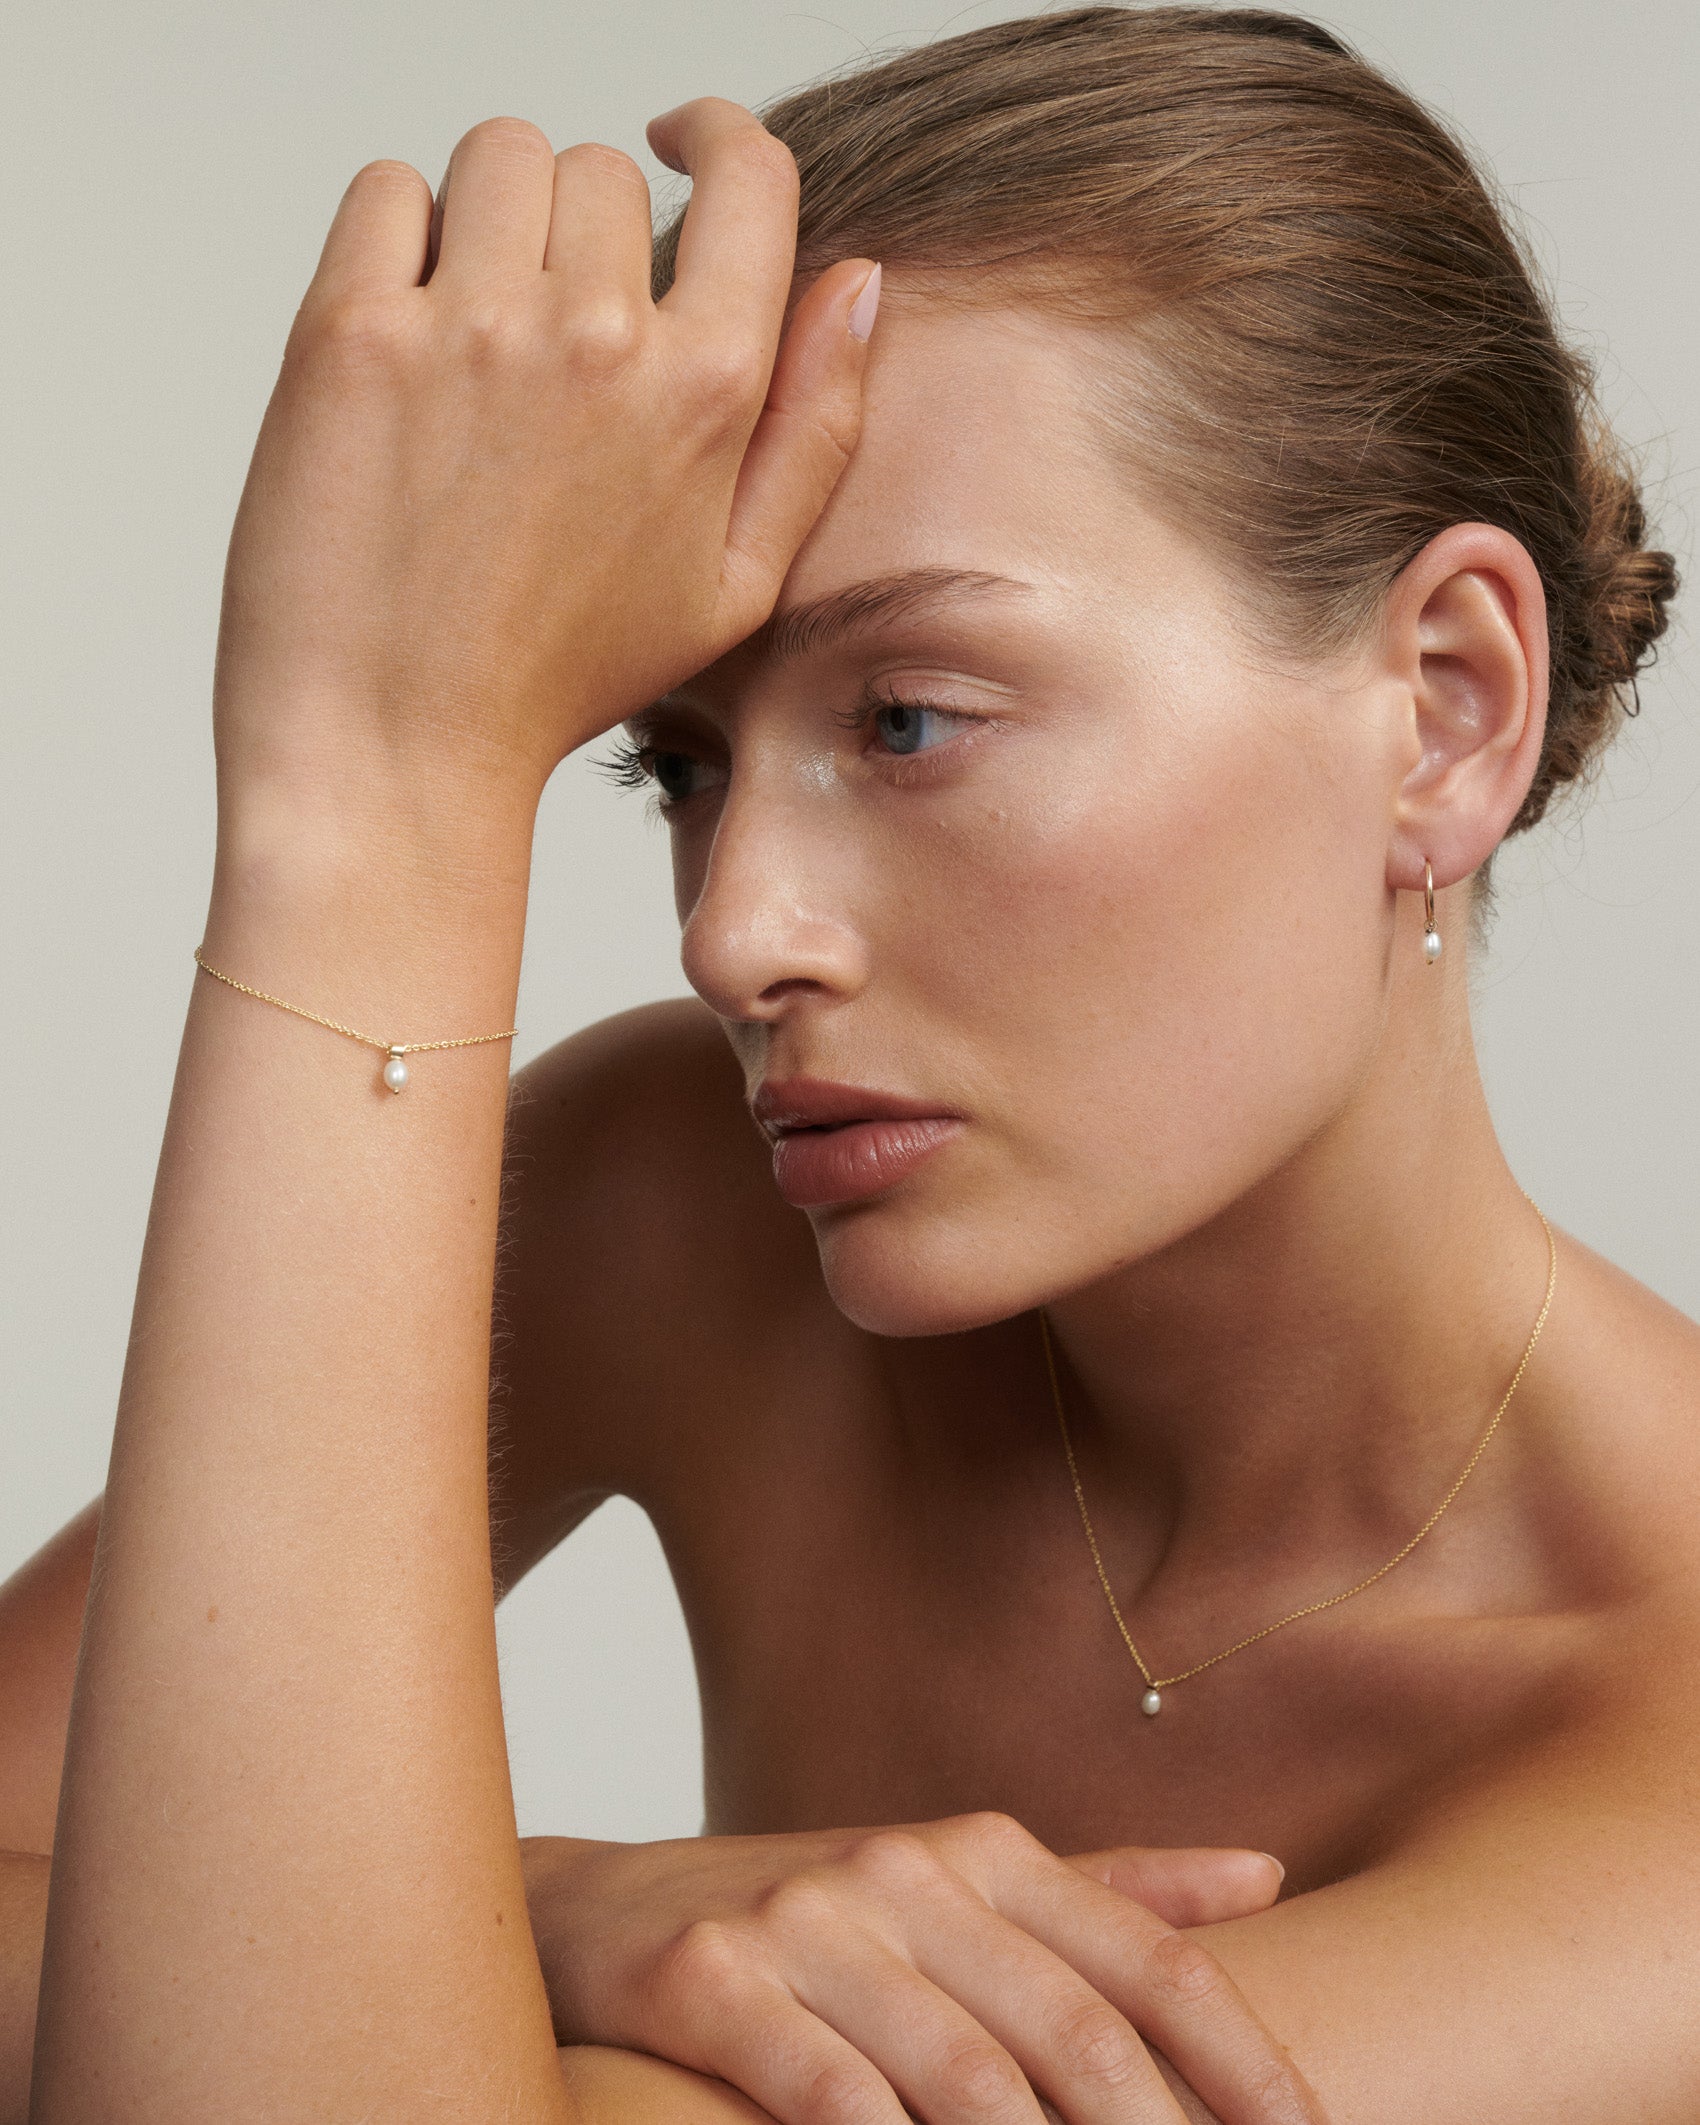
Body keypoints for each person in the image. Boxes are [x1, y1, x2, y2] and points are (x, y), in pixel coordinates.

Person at [4, 5, 1697, 2119]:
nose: (730, 931)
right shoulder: (675, 1208)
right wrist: (560, 1903)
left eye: (909, 718)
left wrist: (377, 801)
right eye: (679, 763)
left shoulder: (1665, 1771)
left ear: (1443, 708)